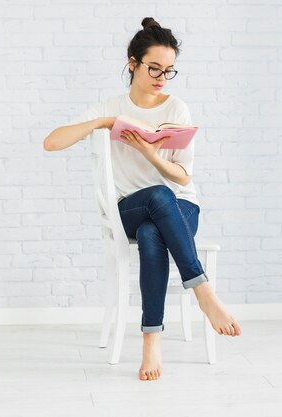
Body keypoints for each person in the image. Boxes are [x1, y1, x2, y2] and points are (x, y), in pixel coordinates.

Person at [43, 17, 242, 381]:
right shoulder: (111, 105)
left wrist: (151, 154)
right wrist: (104, 122)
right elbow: (51, 142)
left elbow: (184, 176)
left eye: (169, 71)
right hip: (130, 207)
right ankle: (203, 291)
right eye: (154, 68)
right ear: (132, 63)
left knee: (154, 232)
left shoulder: (176, 109)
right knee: (154, 201)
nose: (161, 78)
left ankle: (151, 340)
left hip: (181, 207)